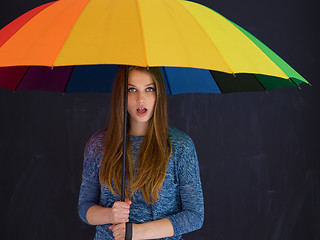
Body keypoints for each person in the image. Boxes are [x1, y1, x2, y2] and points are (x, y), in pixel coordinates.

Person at [78, 66, 204, 240]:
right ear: (121, 94)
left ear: (158, 93)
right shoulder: (99, 144)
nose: (140, 99)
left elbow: (194, 216)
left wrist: (136, 232)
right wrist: (110, 214)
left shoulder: (180, 146)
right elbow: (84, 207)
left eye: (149, 89)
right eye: (131, 89)